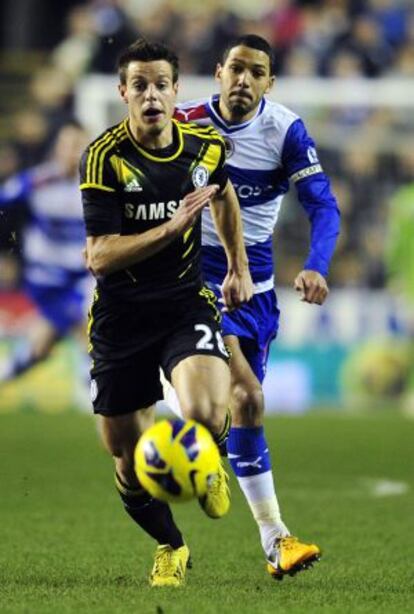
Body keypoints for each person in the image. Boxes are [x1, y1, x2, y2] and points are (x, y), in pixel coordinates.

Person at [80, 39, 253, 588]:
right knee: (128, 461)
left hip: (183, 301)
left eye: (160, 85)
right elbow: (99, 256)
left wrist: (236, 265)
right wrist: (172, 228)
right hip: (121, 315)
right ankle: (171, 546)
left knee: (202, 410)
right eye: (140, 86)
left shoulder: (204, 147)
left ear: (176, 90)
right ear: (123, 92)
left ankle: (212, 457)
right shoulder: (104, 157)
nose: (151, 95)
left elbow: (222, 196)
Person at [168, 34, 341, 579]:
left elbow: (323, 204)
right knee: (248, 394)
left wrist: (316, 262)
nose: (244, 79)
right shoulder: (186, 122)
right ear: (218, 72)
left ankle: (206, 448)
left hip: (258, 290)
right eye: (235, 68)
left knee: (242, 409)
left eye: (256, 72)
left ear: (269, 82)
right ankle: (277, 537)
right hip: (196, 279)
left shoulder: (285, 130)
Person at [0, 121, 92, 397]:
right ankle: (95, 388)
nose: (71, 152)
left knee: (88, 327)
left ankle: (96, 393)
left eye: (78, 146)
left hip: (83, 278)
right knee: (41, 347)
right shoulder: (35, 182)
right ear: (56, 149)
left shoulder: (98, 187)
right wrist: (6, 254)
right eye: (66, 145)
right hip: (46, 279)